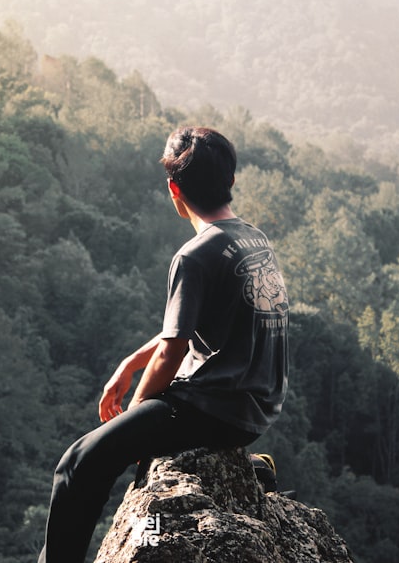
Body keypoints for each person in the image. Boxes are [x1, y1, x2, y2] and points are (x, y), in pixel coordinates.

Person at [38, 126, 289, 562]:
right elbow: (187, 327)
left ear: (174, 189)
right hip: (253, 412)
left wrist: (135, 418)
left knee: (78, 464)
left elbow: (173, 350)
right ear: (230, 180)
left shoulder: (195, 255)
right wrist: (131, 363)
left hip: (210, 407)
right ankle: (246, 469)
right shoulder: (253, 240)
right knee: (123, 447)